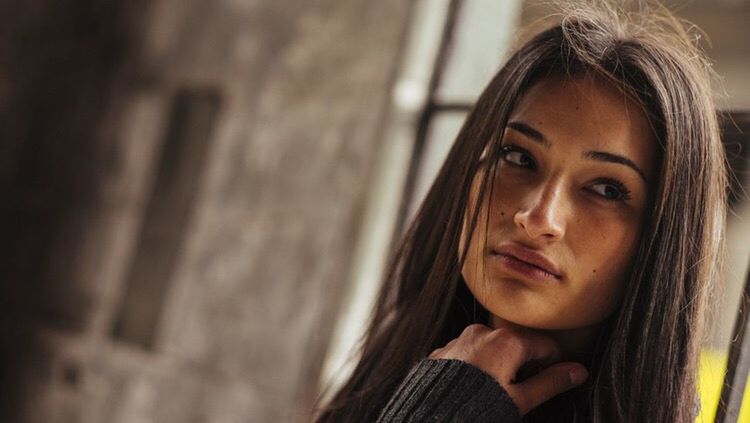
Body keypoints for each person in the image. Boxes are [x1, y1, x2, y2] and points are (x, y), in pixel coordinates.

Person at [314, 1, 727, 422]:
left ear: (660, 240)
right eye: (517, 157)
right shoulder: (381, 383)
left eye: (606, 189)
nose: (538, 217)